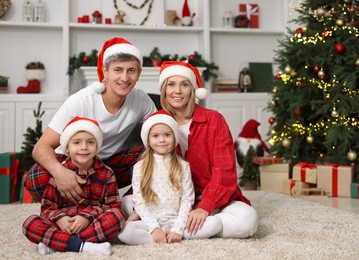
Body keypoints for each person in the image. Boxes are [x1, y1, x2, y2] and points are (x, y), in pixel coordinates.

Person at [25, 37, 157, 213]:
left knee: (155, 155)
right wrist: (60, 173)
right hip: (70, 164)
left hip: (107, 167)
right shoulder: (81, 101)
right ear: (106, 71)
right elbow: (40, 147)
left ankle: (133, 205)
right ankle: (75, 208)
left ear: (139, 73)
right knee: (35, 178)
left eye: (131, 70)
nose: (125, 78)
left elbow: (162, 132)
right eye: (118, 70)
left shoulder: (141, 100)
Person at [158, 61, 258, 238]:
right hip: (172, 201)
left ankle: (180, 229)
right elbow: (148, 168)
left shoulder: (214, 120)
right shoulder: (155, 122)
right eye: (171, 84)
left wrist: (206, 205)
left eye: (184, 84)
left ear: (193, 90)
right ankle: (203, 227)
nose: (177, 91)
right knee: (128, 205)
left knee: (247, 222)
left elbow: (224, 169)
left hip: (213, 197)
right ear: (164, 89)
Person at [22, 117, 125, 256]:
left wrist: (87, 216)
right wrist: (59, 218)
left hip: (90, 225)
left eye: (90, 142)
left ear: (97, 147)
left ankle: (61, 243)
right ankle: (84, 246)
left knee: (117, 217)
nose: (84, 147)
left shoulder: (106, 173)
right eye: (77, 142)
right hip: (62, 225)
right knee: (30, 223)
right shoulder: (59, 175)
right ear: (67, 149)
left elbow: (113, 206)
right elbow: (47, 209)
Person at [117, 110, 222, 244]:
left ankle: (170, 234)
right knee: (123, 231)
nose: (162, 140)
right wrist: (154, 228)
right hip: (151, 221)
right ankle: (162, 235)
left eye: (167, 135)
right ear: (148, 140)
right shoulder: (140, 167)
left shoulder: (183, 166)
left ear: (174, 137)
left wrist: (178, 228)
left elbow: (187, 200)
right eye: (155, 136)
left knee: (215, 223)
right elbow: (139, 202)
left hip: (176, 219)